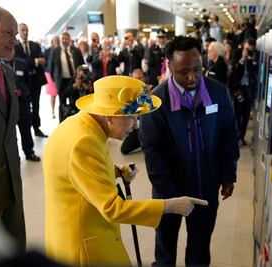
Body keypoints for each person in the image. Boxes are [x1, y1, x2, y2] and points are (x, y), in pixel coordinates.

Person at [43, 75, 208, 266]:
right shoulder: (85, 142)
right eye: (131, 117)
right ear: (109, 116)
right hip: (85, 246)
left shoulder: (78, 125)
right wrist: (169, 205)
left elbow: (75, 173)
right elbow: (112, 208)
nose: (136, 125)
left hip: (68, 234)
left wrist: (114, 171)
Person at [139, 36, 240, 267]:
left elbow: (228, 136)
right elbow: (153, 153)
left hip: (205, 187)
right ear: (170, 66)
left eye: (197, 69)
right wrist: (170, 198)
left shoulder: (218, 94)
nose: (192, 77)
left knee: (200, 250)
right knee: (165, 253)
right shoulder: (155, 102)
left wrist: (228, 173)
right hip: (168, 192)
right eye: (184, 72)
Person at [0, 4, 26, 250]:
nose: (14, 40)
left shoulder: (6, 72)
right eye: (8, 33)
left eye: (15, 35)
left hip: (12, 186)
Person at [4, 56, 41, 161]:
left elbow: (28, 81)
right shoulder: (0, 65)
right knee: (10, 132)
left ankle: (29, 152)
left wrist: (23, 91)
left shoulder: (21, 63)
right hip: (7, 104)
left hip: (23, 102)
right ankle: (14, 156)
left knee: (26, 128)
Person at [15, 23, 48, 137]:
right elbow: (20, 62)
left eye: (26, 30)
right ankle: (27, 130)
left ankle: (36, 128)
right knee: (25, 107)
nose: (25, 32)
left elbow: (43, 60)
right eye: (23, 30)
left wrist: (32, 61)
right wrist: (35, 61)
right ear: (18, 31)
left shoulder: (35, 45)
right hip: (23, 82)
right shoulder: (16, 46)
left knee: (36, 105)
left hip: (35, 80)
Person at [48, 31, 84, 122]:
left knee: (75, 102)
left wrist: (80, 77)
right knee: (62, 104)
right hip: (61, 82)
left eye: (66, 39)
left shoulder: (76, 50)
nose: (64, 41)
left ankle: (75, 122)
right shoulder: (55, 51)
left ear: (69, 40)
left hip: (74, 80)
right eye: (62, 39)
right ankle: (62, 123)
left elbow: (82, 65)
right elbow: (51, 68)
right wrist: (55, 81)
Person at [231, 37, 258, 145]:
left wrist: (254, 60)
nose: (249, 51)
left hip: (248, 90)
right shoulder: (237, 53)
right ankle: (236, 137)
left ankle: (241, 136)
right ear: (243, 45)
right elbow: (235, 71)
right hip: (238, 89)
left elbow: (256, 72)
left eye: (250, 49)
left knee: (246, 115)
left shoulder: (255, 54)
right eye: (247, 48)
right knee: (237, 115)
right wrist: (242, 58)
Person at [120, 68, 147, 155]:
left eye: (140, 78)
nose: (137, 81)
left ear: (144, 79)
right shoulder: (129, 93)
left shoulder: (150, 92)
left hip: (146, 126)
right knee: (124, 149)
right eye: (135, 78)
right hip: (136, 126)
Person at [43, 35, 59, 119]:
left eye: (57, 40)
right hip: (50, 74)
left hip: (59, 74)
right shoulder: (48, 50)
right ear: (52, 41)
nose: (56, 41)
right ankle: (52, 111)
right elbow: (44, 63)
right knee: (53, 94)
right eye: (54, 40)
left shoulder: (61, 50)